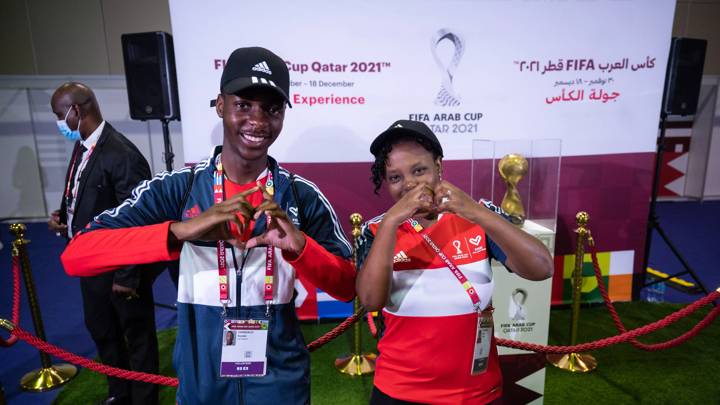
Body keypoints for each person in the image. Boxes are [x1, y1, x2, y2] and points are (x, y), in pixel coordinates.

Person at [60, 47, 356, 404]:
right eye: (244, 105)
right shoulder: (178, 188)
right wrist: (181, 231)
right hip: (203, 385)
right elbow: (76, 255)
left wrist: (300, 249)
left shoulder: (300, 195)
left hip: (280, 383)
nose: (258, 121)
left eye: (272, 109)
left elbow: (347, 287)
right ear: (220, 105)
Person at [355, 120, 554, 404]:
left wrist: (474, 211)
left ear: (439, 167)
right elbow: (371, 300)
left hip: (475, 393)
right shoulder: (378, 230)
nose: (409, 184)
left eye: (419, 170)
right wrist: (391, 224)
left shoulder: (478, 216)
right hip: (399, 391)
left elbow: (541, 268)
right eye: (395, 177)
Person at [47, 82, 159, 405]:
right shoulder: (82, 146)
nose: (58, 122)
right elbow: (86, 195)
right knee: (103, 332)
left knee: (137, 339)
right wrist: (65, 219)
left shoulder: (123, 155)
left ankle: (145, 400)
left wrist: (127, 276)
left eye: (59, 115)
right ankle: (119, 394)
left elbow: (139, 219)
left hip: (121, 273)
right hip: (91, 266)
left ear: (76, 111)